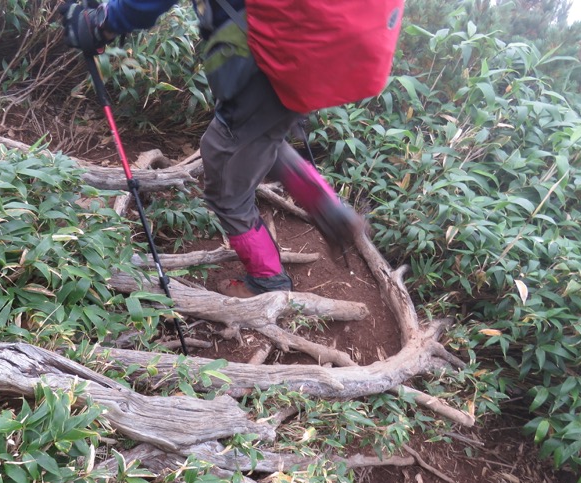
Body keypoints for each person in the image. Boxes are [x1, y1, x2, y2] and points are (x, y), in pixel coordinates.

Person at [59, 0, 367, 298]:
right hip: (303, 59)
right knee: (260, 137)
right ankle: (328, 207)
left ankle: (267, 281)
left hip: (261, 66)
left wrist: (102, 21)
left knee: (227, 191)